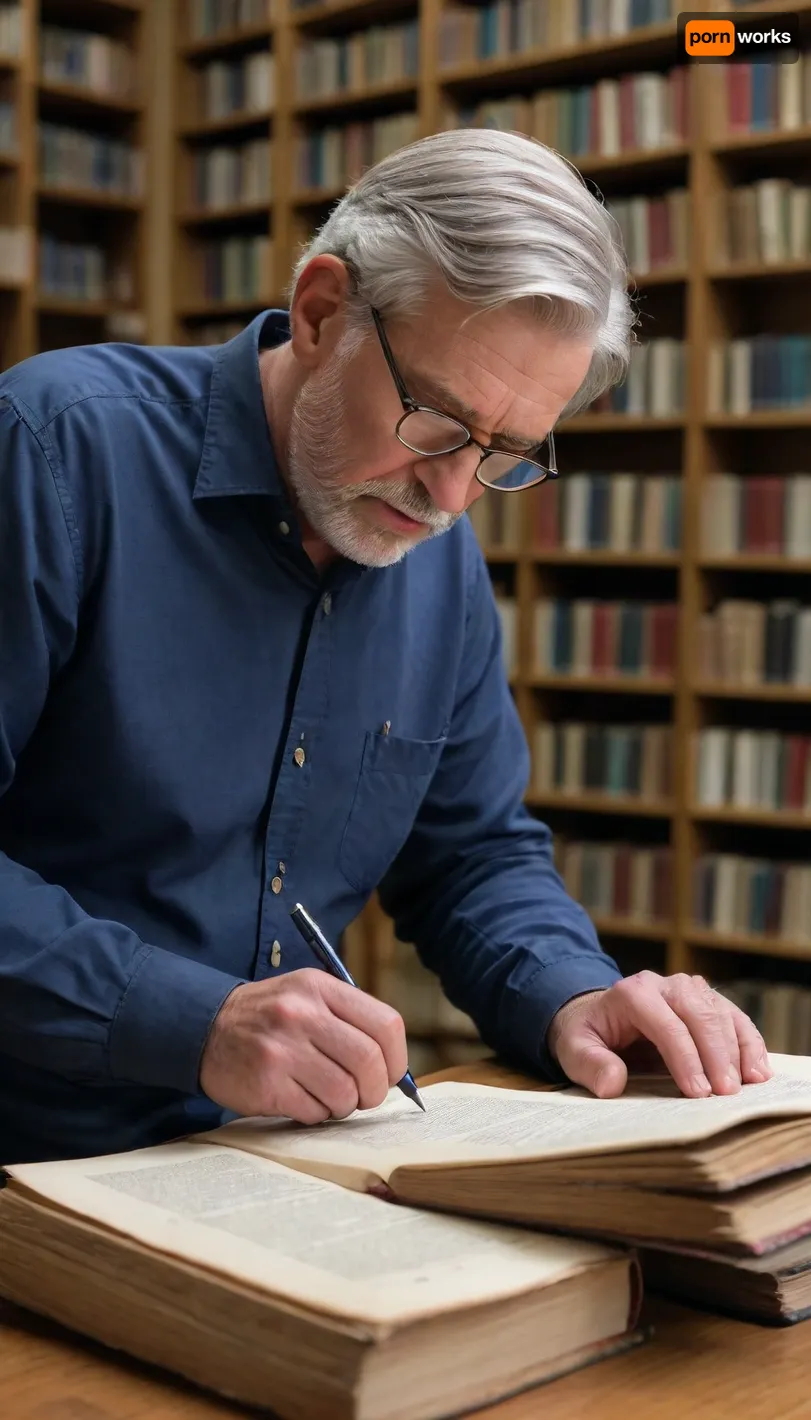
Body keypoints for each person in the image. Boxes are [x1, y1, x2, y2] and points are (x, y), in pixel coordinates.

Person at [0, 128, 769, 1165]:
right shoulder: (55, 451)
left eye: (504, 452)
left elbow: (469, 853)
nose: (452, 495)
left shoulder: (431, 554)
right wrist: (190, 1021)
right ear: (322, 311)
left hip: (259, 1163)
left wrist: (572, 993)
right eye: (438, 423)